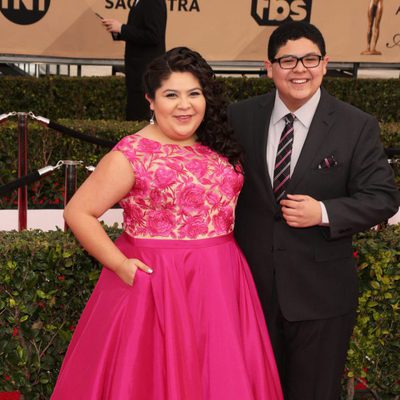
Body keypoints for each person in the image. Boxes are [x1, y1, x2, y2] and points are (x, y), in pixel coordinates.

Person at [51, 47, 283, 399]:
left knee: (221, 376)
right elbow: (78, 212)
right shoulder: (131, 153)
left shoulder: (217, 144)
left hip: (221, 279)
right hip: (156, 283)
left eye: (194, 94)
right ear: (151, 100)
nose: (184, 105)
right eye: (171, 95)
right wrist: (120, 265)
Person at [228, 21, 400, 400]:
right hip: (248, 292)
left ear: (325, 64)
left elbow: (383, 197)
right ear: (269, 67)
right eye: (287, 60)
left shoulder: (356, 126)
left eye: (309, 59)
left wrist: (323, 212)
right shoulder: (238, 118)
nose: (299, 69)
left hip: (321, 297)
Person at [101, 0, 167, 121]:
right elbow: (138, 30)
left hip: (146, 70)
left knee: (141, 115)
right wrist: (119, 32)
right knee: (135, 111)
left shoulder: (153, 2)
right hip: (137, 71)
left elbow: (154, 35)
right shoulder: (140, 2)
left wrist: (122, 28)